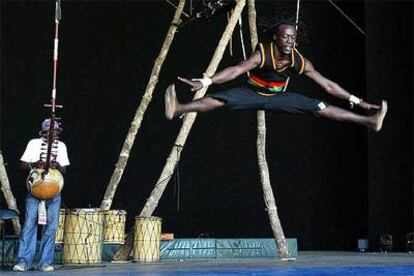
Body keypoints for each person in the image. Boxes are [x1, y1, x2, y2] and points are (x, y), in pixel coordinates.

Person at [165, 20, 387, 132]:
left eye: (293, 38)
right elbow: (236, 70)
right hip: (251, 93)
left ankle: (370, 121)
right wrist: (205, 81)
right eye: (286, 38)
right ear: (276, 38)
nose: (290, 42)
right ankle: (178, 109)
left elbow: (328, 85)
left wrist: (356, 101)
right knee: (221, 99)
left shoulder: (299, 61)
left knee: (320, 106)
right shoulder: (263, 53)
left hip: (280, 98)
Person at [13, 119, 69, 272]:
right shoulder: (33, 143)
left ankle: (45, 262)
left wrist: (56, 165)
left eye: (56, 132)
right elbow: (22, 164)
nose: (53, 134)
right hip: (35, 190)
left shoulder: (61, 146)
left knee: (51, 227)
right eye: (50, 131)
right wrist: (35, 164)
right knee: (29, 225)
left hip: (54, 191)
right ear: (42, 132)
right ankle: (23, 261)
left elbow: (64, 170)